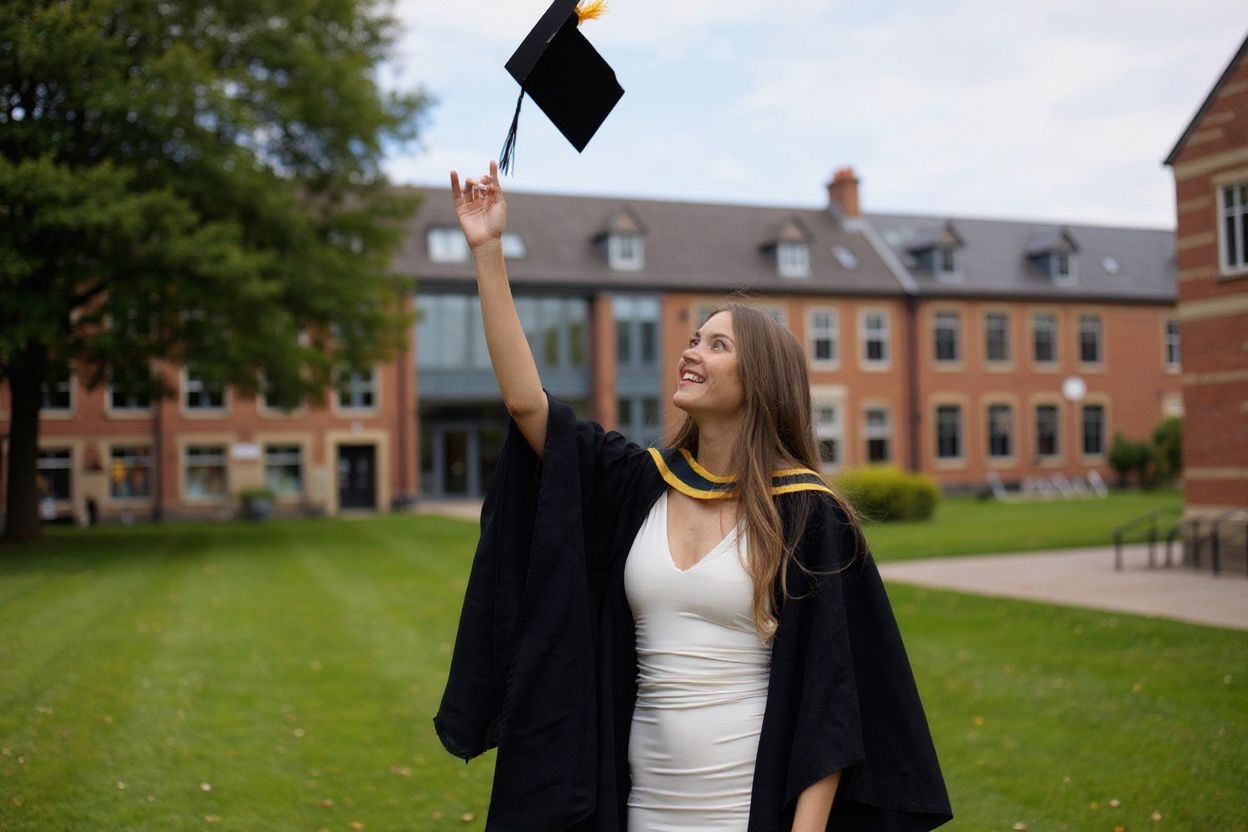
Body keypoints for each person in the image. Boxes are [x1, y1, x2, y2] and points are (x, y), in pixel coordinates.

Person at [434, 162, 952, 832]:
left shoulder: (806, 514)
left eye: (716, 344)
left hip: (748, 808)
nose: (691, 352)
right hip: (640, 805)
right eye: (692, 338)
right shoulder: (640, 484)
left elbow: (833, 697)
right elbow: (527, 404)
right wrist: (487, 252)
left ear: (759, 378)